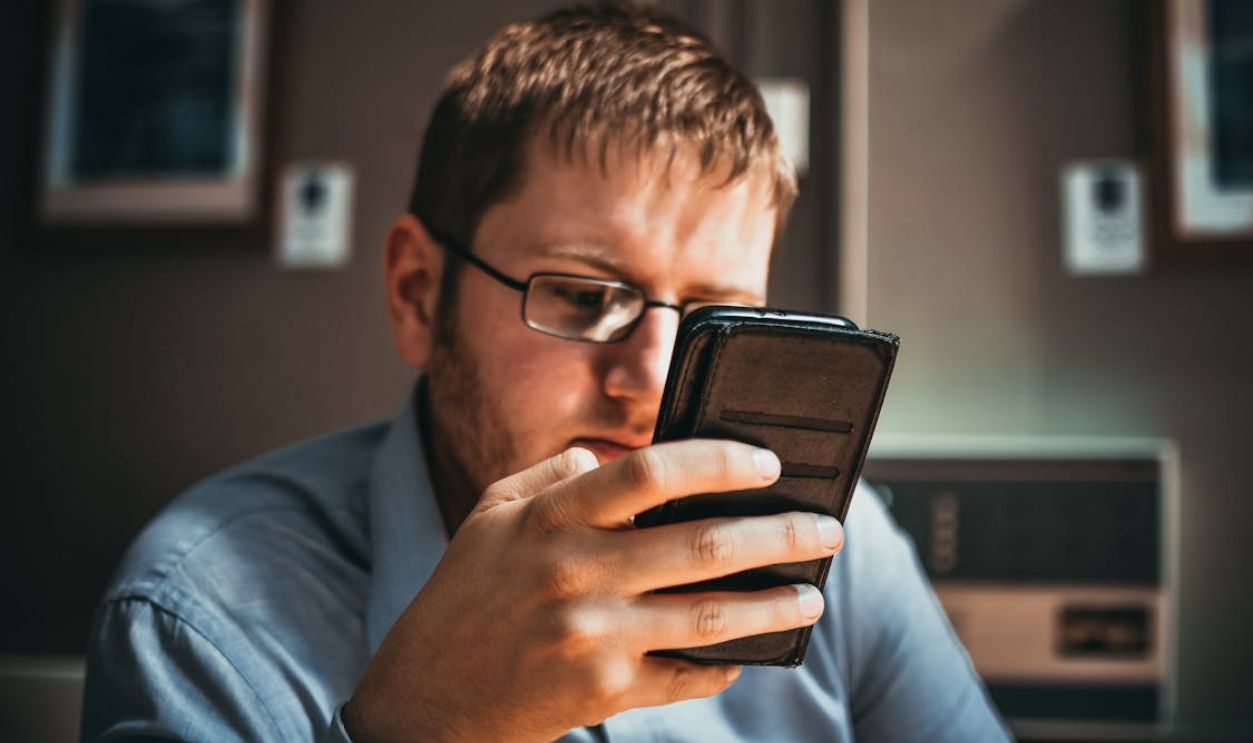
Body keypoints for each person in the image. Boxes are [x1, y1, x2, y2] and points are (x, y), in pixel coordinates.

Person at [81, 4, 1011, 742]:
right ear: (417, 294)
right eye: (581, 296)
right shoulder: (198, 614)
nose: (648, 377)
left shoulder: (828, 560)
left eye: (711, 320)